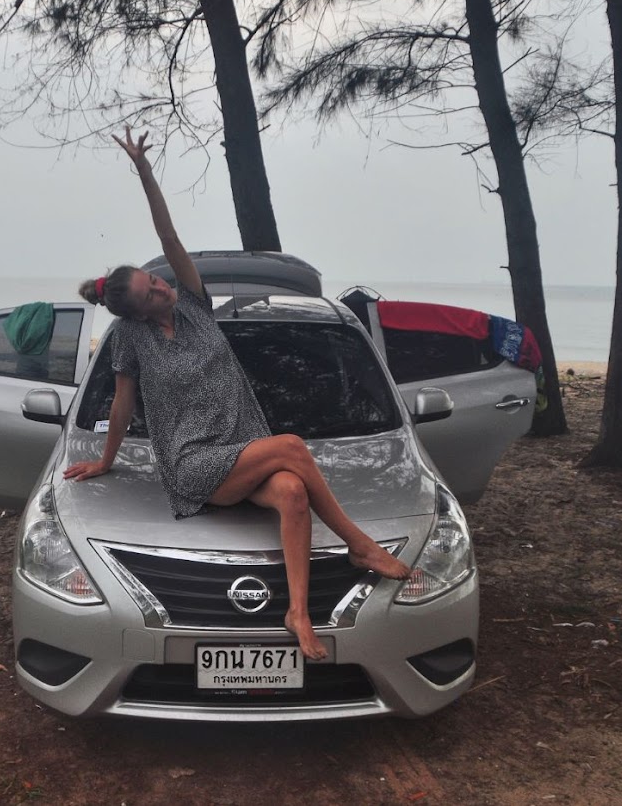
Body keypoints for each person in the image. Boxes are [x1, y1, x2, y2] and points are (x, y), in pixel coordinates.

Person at [63, 128, 410, 661]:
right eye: (150, 294)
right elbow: (121, 404)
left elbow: (171, 240)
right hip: (193, 463)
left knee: (293, 492)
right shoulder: (131, 340)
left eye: (155, 282)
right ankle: (359, 545)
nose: (162, 288)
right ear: (136, 312)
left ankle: (298, 613)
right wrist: (105, 460)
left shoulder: (196, 306)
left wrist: (146, 173)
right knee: (292, 446)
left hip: (243, 450)